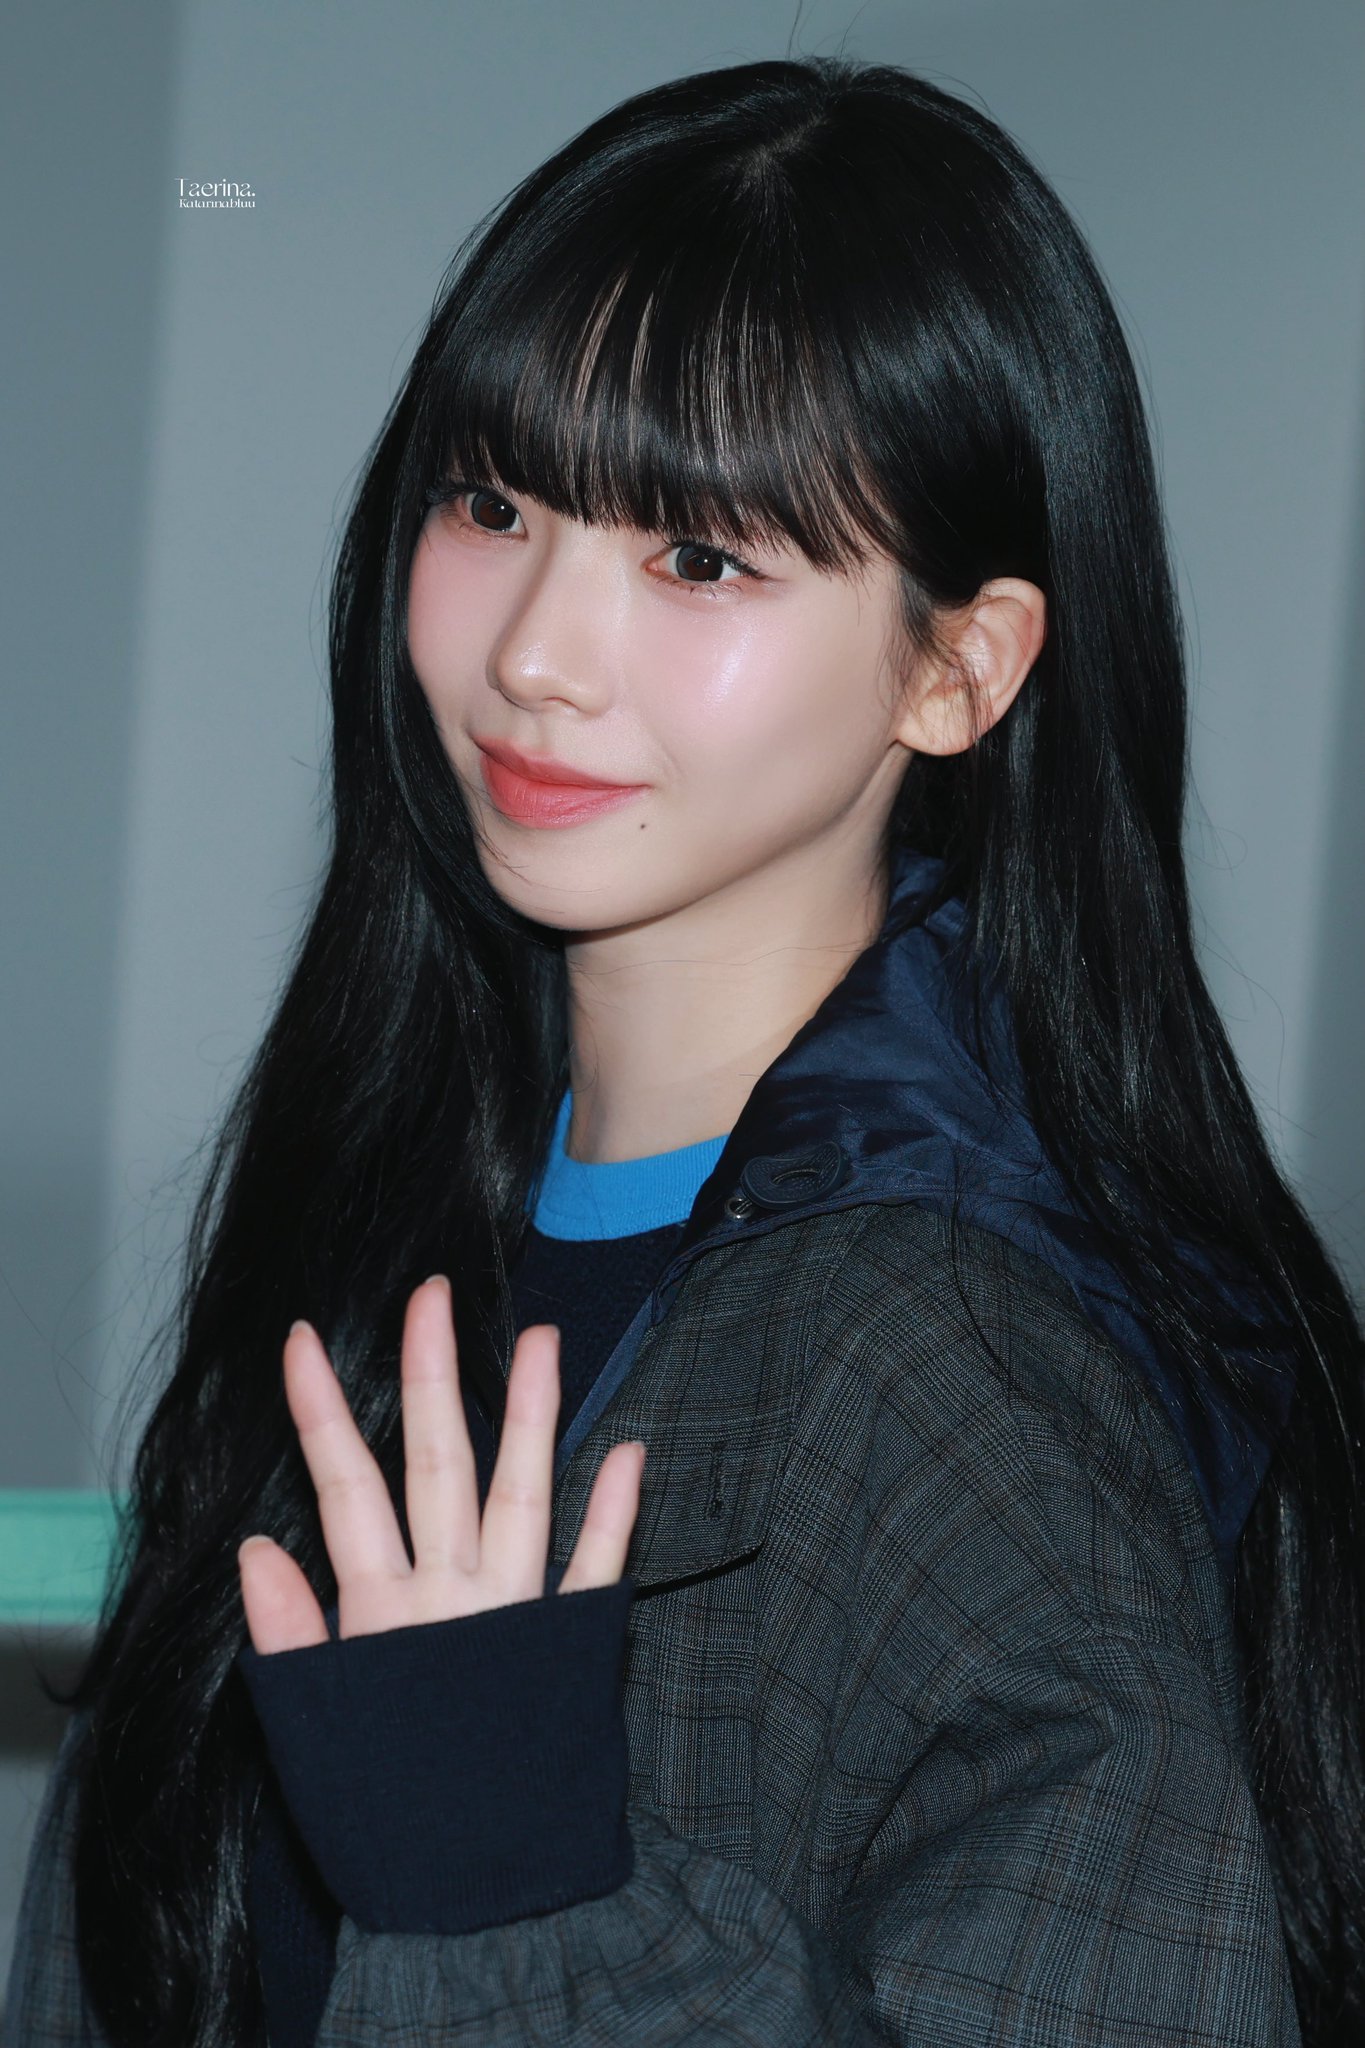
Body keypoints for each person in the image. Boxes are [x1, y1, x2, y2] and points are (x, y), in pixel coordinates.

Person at [6, 52, 1363, 2048]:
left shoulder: (957, 1362)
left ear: (956, 665)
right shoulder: (401, 1178)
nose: (532, 656)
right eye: (493, 503)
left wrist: (500, 1895)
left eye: (700, 558)